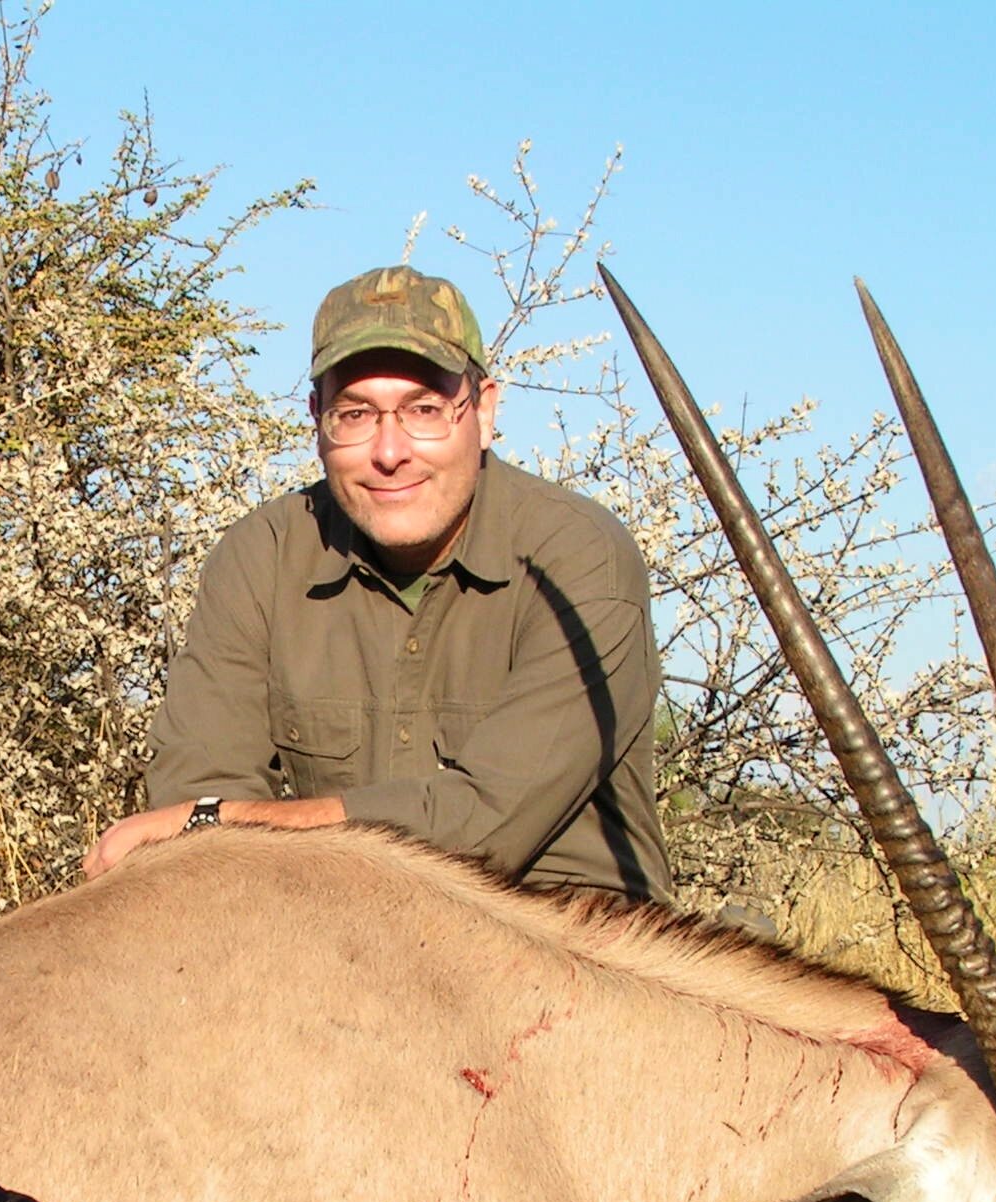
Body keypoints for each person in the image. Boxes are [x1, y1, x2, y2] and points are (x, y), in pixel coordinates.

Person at [84, 265, 670, 901]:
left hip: (557, 935)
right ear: (316, 420)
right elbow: (198, 786)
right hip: (332, 925)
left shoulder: (580, 556)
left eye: (424, 410)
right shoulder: (264, 554)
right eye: (355, 414)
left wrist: (230, 822)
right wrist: (217, 826)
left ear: (486, 410)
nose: (390, 452)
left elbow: (486, 824)